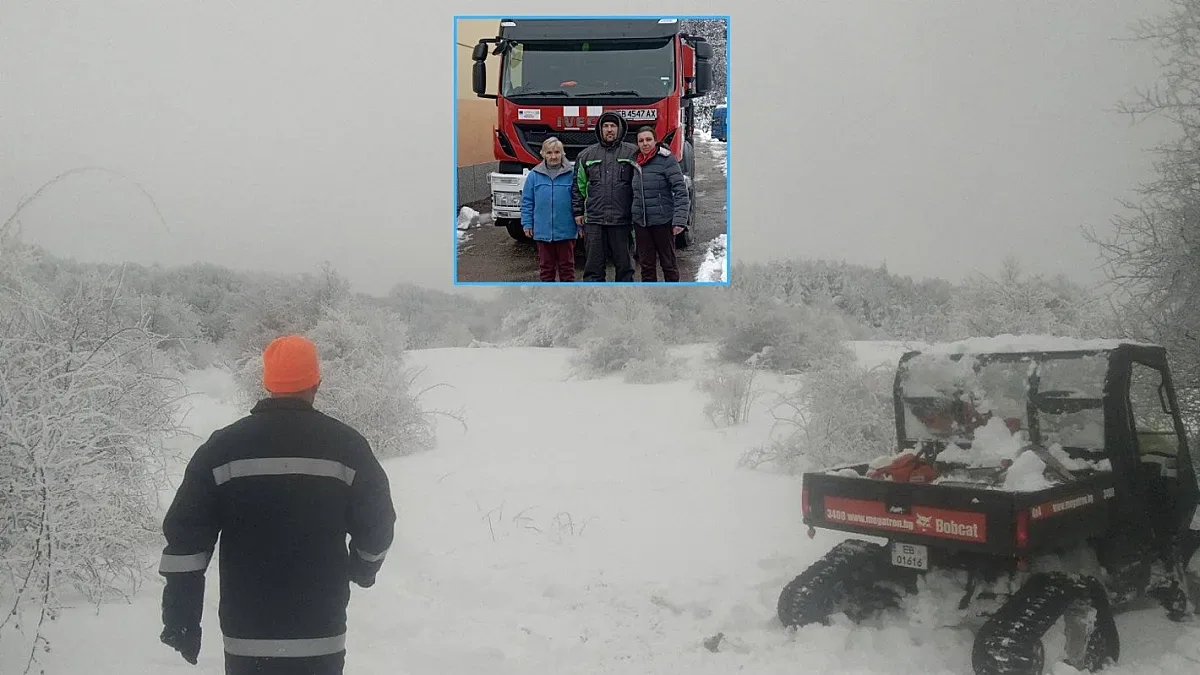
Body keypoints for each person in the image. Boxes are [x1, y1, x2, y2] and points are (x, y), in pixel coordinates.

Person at [157, 335, 396, 675]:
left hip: (247, 639)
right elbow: (377, 525)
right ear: (316, 381)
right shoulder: (347, 447)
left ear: (267, 382)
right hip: (320, 634)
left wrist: (181, 617)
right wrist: (362, 569)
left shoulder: (223, 449)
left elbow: (185, 538)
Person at [571, 111, 638, 282]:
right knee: (593, 268)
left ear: (620, 129)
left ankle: (623, 302)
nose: (609, 130)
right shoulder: (586, 156)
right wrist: (578, 212)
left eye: (613, 126)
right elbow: (578, 187)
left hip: (622, 220)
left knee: (625, 268)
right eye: (605, 126)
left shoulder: (633, 154)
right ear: (600, 130)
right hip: (594, 221)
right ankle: (595, 303)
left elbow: (641, 186)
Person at [630, 125, 690, 282]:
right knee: (646, 266)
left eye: (648, 139)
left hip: (663, 222)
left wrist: (679, 220)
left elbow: (680, 191)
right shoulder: (632, 162)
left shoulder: (666, 160)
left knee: (668, 264)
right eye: (641, 140)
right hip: (641, 224)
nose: (645, 143)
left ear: (655, 141)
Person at [521, 136, 582, 281]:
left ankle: (568, 298)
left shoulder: (572, 175)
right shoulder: (534, 176)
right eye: (549, 153)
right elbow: (527, 202)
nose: (553, 156)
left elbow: (579, 200)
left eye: (557, 152)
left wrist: (580, 226)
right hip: (543, 231)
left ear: (563, 154)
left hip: (566, 231)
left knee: (567, 268)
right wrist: (527, 223)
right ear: (543, 154)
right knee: (546, 269)